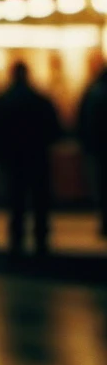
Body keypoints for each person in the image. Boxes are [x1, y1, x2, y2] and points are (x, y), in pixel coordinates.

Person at [0, 62, 62, 257]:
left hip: (13, 160)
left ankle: (16, 243)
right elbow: (55, 131)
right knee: (40, 203)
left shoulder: (2, 101)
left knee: (16, 202)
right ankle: (41, 243)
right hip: (37, 158)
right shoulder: (40, 100)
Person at [77, 65, 107, 238]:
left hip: (97, 150)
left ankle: (104, 223)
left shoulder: (92, 93)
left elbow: (82, 122)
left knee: (101, 187)